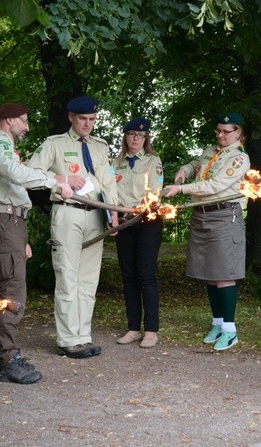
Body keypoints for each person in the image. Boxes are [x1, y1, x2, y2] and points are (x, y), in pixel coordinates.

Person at [0, 103, 73, 384]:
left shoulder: (3, 147)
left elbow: (13, 190)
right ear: (9, 120)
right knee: (12, 292)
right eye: (24, 121)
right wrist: (56, 181)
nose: (27, 127)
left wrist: (23, 238)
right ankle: (7, 358)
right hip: (5, 223)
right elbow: (17, 176)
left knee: (9, 289)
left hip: (11, 224)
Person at [27, 96, 118, 359]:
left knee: (88, 280)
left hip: (97, 215)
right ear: (71, 117)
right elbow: (31, 173)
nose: (88, 124)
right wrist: (62, 179)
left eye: (92, 119)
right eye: (82, 119)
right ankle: (68, 339)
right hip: (68, 214)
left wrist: (113, 213)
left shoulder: (101, 147)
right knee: (68, 277)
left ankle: (83, 336)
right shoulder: (54, 144)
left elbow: (108, 183)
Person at [164, 112, 249, 351]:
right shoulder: (212, 150)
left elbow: (216, 185)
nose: (221, 135)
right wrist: (184, 170)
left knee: (224, 273)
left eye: (226, 131)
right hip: (202, 214)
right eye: (218, 131)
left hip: (223, 215)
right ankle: (218, 323)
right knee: (210, 273)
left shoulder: (240, 159)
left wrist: (180, 188)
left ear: (237, 132)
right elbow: (196, 165)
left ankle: (231, 331)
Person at [113, 117, 164, 348]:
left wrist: (141, 210)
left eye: (141, 135)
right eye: (132, 134)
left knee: (146, 274)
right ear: (125, 136)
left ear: (146, 139)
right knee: (128, 276)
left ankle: (151, 330)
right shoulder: (116, 162)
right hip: (124, 223)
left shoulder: (153, 161)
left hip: (147, 221)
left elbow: (156, 189)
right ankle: (133, 328)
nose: (136, 138)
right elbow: (109, 192)